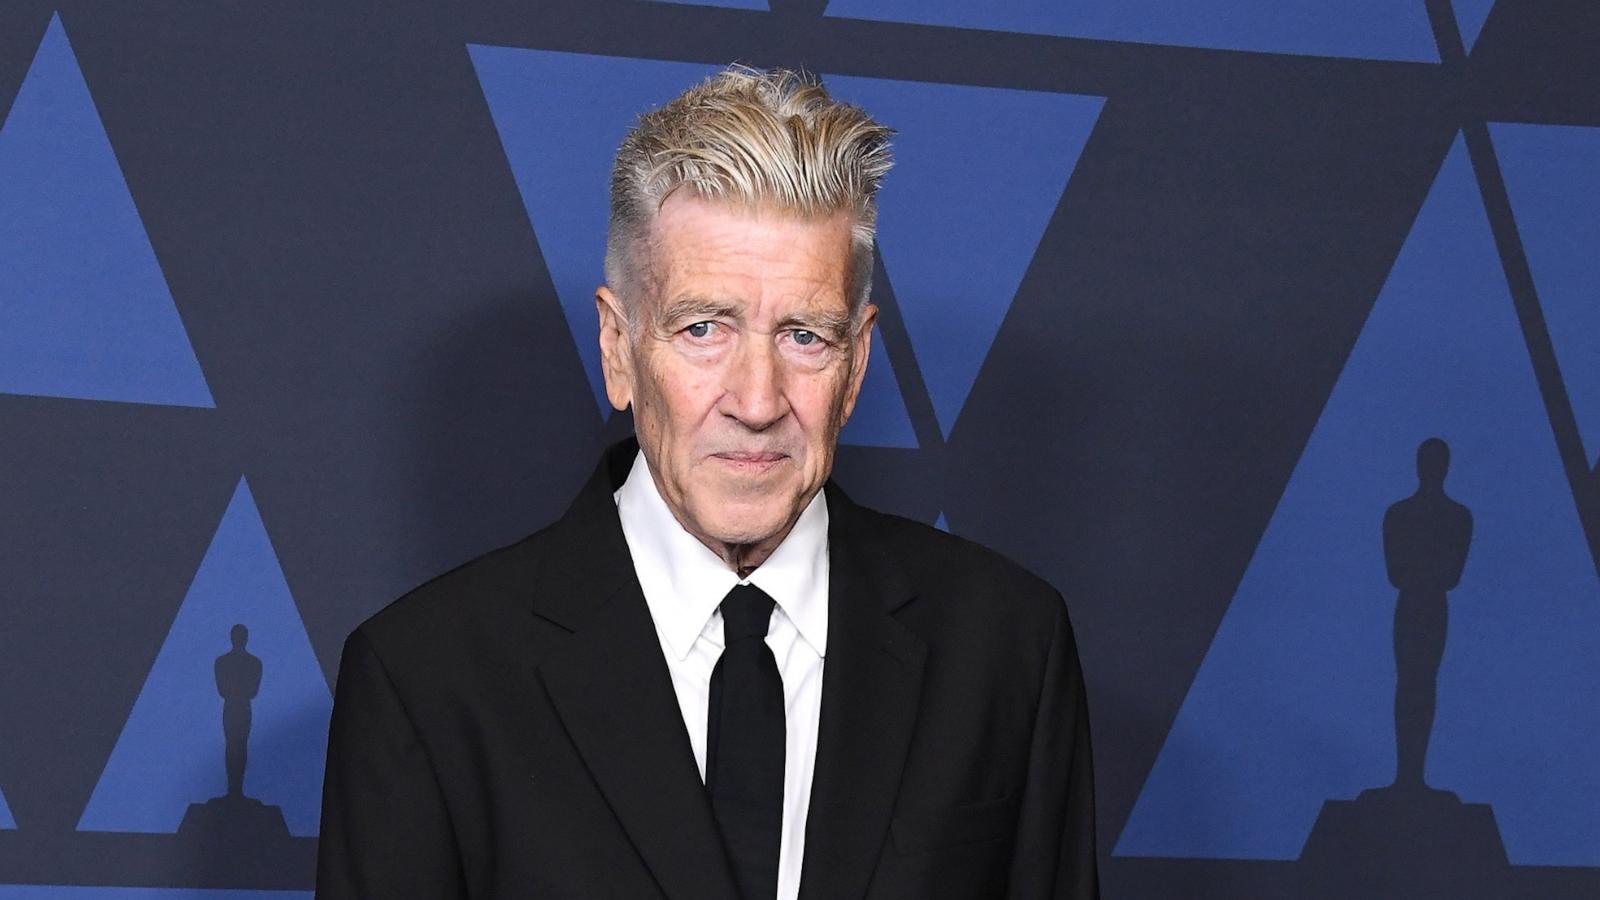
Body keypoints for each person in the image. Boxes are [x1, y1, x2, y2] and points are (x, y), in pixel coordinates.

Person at [316, 65, 1098, 899]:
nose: (758, 402)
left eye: (804, 335)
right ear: (618, 348)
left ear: (858, 363)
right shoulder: (426, 681)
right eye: (703, 329)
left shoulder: (1006, 648)